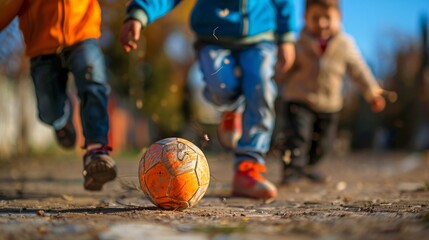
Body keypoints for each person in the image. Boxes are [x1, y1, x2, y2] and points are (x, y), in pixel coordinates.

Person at [120, 0, 296, 199]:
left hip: (260, 36)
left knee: (261, 87)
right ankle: (232, 108)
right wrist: (139, 13)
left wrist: (286, 37)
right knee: (221, 86)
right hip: (213, 36)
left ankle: (249, 168)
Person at [1, 0, 117, 191]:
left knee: (93, 84)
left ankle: (96, 152)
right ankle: (62, 120)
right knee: (49, 112)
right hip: (42, 43)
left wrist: (135, 13)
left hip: (82, 31)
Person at [277, 0, 389, 184]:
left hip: (330, 104)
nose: (321, 23)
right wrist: (279, 71)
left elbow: (359, 69)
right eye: (315, 18)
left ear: (339, 18)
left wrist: (372, 92)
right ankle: (292, 170)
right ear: (304, 18)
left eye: (327, 18)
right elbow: (283, 66)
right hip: (299, 99)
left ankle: (308, 167)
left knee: (323, 144)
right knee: (298, 136)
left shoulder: (345, 44)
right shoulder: (297, 42)